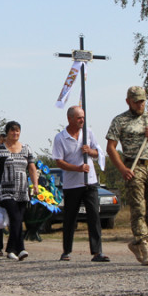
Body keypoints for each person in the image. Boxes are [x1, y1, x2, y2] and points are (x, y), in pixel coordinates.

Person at [105, 86, 148, 265]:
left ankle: (138, 240)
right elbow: (111, 147)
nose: (140, 105)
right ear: (128, 102)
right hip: (133, 165)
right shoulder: (120, 120)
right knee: (138, 208)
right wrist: (123, 169)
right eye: (136, 101)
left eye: (142, 101)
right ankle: (145, 246)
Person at [52, 106, 110, 263]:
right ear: (70, 118)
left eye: (83, 117)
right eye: (79, 118)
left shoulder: (88, 133)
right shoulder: (60, 138)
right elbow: (59, 162)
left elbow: (99, 152)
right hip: (72, 185)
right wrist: (77, 168)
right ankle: (66, 251)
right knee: (70, 218)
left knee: (94, 216)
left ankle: (97, 251)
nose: (82, 120)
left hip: (89, 182)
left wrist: (90, 152)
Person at [0, 121, 39, 261]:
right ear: (7, 132)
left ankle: (12, 249)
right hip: (6, 190)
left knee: (18, 219)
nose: (15, 133)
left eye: (17, 131)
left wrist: (35, 184)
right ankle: (20, 248)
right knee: (15, 217)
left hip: (22, 190)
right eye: (12, 131)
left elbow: (32, 168)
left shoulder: (26, 148)